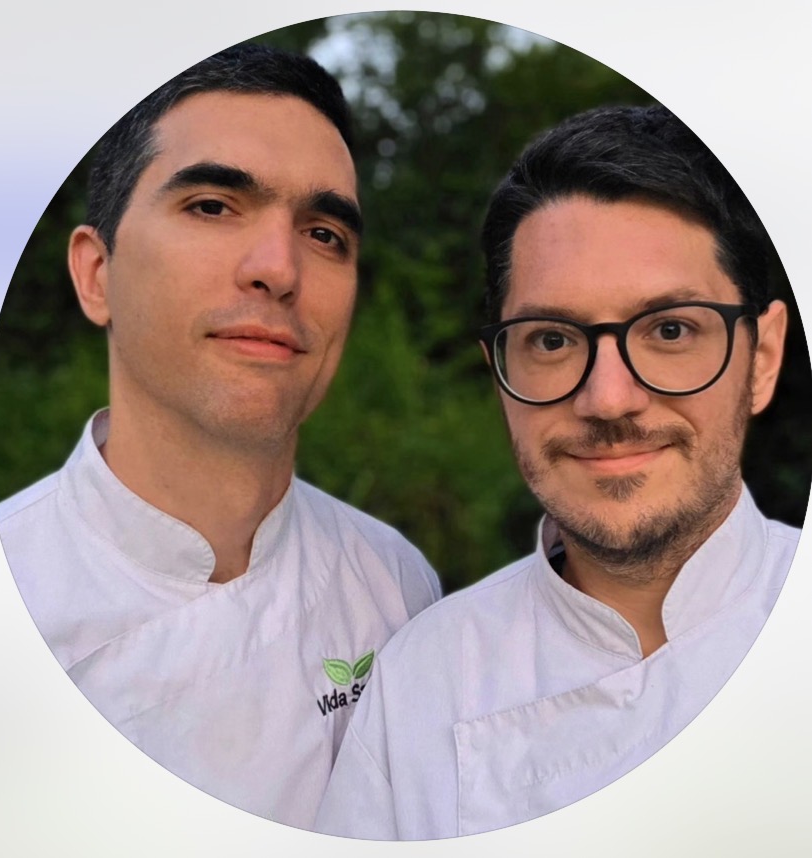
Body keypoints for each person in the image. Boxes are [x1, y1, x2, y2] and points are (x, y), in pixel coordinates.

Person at [314, 104, 802, 839]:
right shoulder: (421, 681)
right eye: (550, 340)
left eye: (670, 330)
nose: (608, 399)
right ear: (499, 375)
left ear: (761, 358)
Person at [0, 42, 440, 831]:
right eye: (211, 206)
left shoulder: (397, 586)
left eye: (325, 234)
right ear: (96, 274)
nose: (279, 269)